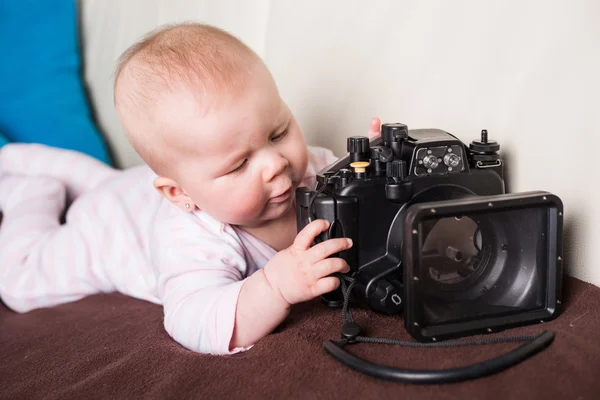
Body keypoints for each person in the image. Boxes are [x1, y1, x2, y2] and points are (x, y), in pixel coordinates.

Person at [0, 23, 381, 354]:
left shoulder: (311, 168)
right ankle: (30, 193)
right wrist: (275, 287)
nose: (275, 163)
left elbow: (354, 193)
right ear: (181, 194)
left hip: (128, 186)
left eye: (278, 132)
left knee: (106, 181)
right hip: (111, 228)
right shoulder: (191, 238)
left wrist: (372, 169)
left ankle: (39, 166)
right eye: (239, 164)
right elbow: (192, 320)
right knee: (18, 283)